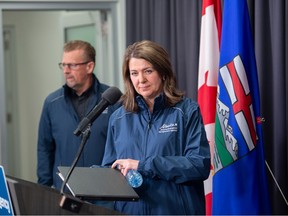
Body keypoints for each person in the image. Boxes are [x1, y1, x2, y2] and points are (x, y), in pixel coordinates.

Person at [101, 40, 211, 215]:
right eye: (134, 73)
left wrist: (144, 165)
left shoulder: (186, 111)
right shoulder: (119, 118)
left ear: (163, 73)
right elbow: (110, 168)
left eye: (148, 71)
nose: (141, 80)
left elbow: (199, 165)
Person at [37, 40, 119, 195]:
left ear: (89, 66)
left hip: (105, 194)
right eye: (63, 65)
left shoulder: (112, 101)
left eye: (72, 65)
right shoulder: (52, 103)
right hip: (65, 193)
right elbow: (45, 149)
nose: (66, 71)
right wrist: (44, 189)